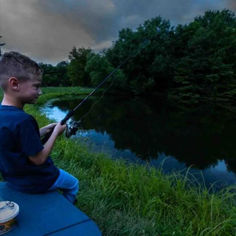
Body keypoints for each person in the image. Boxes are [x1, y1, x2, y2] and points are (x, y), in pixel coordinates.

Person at [0, 51, 79, 204]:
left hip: (13, 180)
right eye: (36, 86)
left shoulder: (4, 115)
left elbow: (15, 140)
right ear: (14, 84)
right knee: (73, 184)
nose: (40, 92)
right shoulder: (24, 120)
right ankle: (64, 210)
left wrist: (44, 130)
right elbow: (39, 159)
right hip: (38, 180)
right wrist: (56, 132)